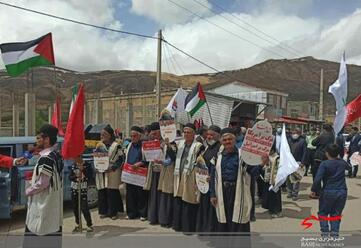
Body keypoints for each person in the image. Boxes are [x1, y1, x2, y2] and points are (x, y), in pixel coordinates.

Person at [209, 127, 261, 235]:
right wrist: (212, 194)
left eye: (230, 139)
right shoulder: (217, 156)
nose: (227, 142)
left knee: (238, 220)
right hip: (222, 192)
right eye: (225, 140)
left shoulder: (243, 155)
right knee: (223, 221)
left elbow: (253, 172)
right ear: (221, 141)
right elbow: (213, 175)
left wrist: (262, 164)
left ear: (234, 140)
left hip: (238, 192)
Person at [23, 124, 63, 248]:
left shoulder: (46, 159)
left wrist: (28, 190)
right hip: (52, 205)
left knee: (39, 237)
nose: (37, 140)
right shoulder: (55, 155)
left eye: (39, 138)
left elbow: (43, 183)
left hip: (43, 205)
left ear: (47, 139)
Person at [310, 144, 348, 237]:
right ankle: (334, 236)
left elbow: (318, 178)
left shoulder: (324, 164)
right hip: (342, 191)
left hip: (328, 191)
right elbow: (349, 168)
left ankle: (325, 234)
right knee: (336, 214)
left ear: (327, 153)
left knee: (323, 213)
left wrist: (314, 190)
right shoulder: (342, 162)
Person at [173, 123, 204, 232]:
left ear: (194, 133)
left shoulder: (199, 146)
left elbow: (201, 163)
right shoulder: (179, 144)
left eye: (188, 132)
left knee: (189, 201)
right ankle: (178, 225)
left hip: (191, 176)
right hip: (179, 175)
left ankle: (188, 227)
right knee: (178, 199)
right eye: (184, 132)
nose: (186, 134)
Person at [94, 125, 124, 220]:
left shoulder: (116, 145)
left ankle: (113, 212)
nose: (102, 136)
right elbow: (95, 158)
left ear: (110, 135)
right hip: (101, 171)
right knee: (102, 191)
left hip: (112, 171)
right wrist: (96, 166)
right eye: (101, 134)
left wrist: (113, 167)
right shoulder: (99, 145)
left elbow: (121, 158)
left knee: (112, 191)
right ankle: (104, 211)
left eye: (104, 134)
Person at [195, 125, 221, 233]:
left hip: (213, 184)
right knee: (204, 207)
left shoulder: (220, 148)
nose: (209, 137)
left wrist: (212, 176)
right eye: (208, 134)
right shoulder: (206, 148)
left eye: (212, 135)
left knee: (213, 209)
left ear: (218, 136)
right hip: (204, 183)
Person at [124, 126, 148, 220]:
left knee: (140, 194)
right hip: (129, 173)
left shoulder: (143, 146)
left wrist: (140, 163)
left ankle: (142, 214)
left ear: (139, 136)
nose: (132, 138)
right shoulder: (129, 145)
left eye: (134, 136)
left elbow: (147, 159)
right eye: (131, 136)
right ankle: (131, 213)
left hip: (140, 172)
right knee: (130, 194)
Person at [143, 122, 163, 225]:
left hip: (163, 172)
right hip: (153, 171)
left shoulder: (165, 143)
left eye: (156, 133)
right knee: (153, 194)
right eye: (152, 134)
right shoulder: (150, 143)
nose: (154, 136)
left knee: (161, 195)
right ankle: (152, 216)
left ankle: (161, 217)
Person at [69, 157, 93, 232]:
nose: (74, 159)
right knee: (75, 207)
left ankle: (89, 224)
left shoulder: (87, 165)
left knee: (84, 207)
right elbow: (70, 177)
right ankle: (78, 223)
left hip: (83, 188)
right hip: (74, 188)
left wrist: (83, 170)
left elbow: (90, 175)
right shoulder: (73, 165)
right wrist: (75, 177)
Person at [261, 144, 282, 218]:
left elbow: (280, 169)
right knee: (269, 196)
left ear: (273, 150)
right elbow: (264, 168)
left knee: (276, 196)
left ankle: (278, 210)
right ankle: (271, 210)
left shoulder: (277, 158)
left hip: (275, 181)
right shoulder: (267, 157)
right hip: (267, 179)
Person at [287, 128, 307, 201]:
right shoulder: (289, 141)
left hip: (298, 163)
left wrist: (302, 162)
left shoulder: (302, 141)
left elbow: (305, 152)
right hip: (289, 163)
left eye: (296, 133)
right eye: (293, 132)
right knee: (288, 179)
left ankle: (295, 194)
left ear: (299, 133)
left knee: (296, 179)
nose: (294, 134)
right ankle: (289, 192)